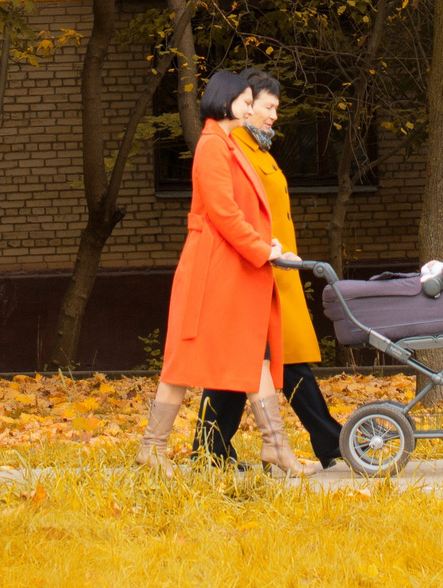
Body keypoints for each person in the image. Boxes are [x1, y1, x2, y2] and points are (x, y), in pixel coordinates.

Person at [133, 70, 310, 475]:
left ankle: (275, 447)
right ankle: (153, 447)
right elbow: (223, 212)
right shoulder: (213, 144)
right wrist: (262, 249)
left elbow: (239, 212)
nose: (251, 108)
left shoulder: (226, 145)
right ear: (225, 100)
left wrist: (268, 246)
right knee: (183, 358)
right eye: (246, 101)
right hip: (214, 272)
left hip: (234, 269)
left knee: (254, 356)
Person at [195, 74, 344, 470]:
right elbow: (230, 214)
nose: (273, 116)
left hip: (275, 269)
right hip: (255, 270)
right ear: (241, 105)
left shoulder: (259, 150)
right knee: (263, 361)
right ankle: (329, 442)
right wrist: (265, 254)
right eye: (266, 107)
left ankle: (210, 451)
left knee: (263, 362)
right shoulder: (233, 149)